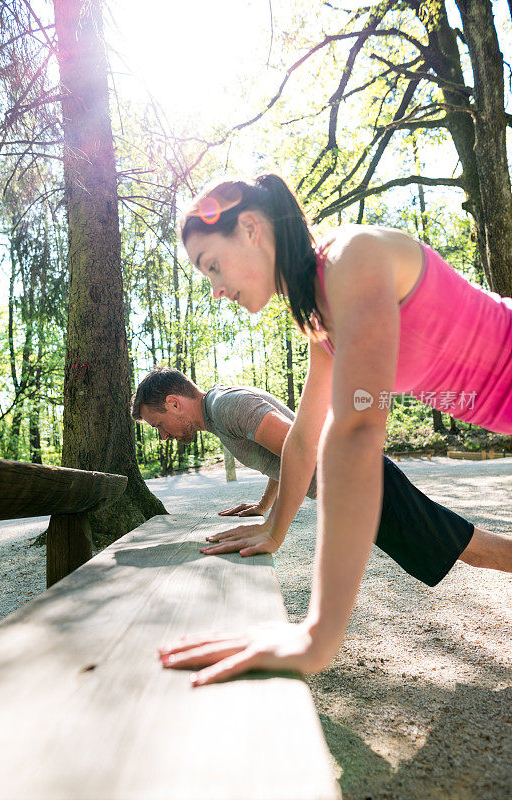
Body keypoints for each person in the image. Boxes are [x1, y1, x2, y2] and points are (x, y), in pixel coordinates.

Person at [158, 174, 512, 686]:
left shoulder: (350, 257)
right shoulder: (321, 321)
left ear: (252, 228)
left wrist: (317, 635)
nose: (215, 289)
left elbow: (355, 433)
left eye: (212, 264)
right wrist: (273, 530)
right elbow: (304, 439)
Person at [132, 366, 511, 585]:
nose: (163, 434)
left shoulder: (227, 406)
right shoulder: (219, 411)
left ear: (174, 403)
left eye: (158, 423)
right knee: (460, 547)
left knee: (468, 548)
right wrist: (264, 506)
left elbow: (303, 451)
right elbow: (287, 451)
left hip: (362, 481)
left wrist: (274, 530)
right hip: (356, 488)